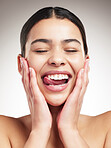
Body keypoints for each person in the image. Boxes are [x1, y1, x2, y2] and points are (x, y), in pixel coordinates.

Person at [0, 6, 111, 148]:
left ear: (86, 63)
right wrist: (39, 131)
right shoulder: (3, 130)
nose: (57, 60)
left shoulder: (108, 126)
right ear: (21, 64)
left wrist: (70, 131)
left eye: (71, 50)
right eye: (41, 50)